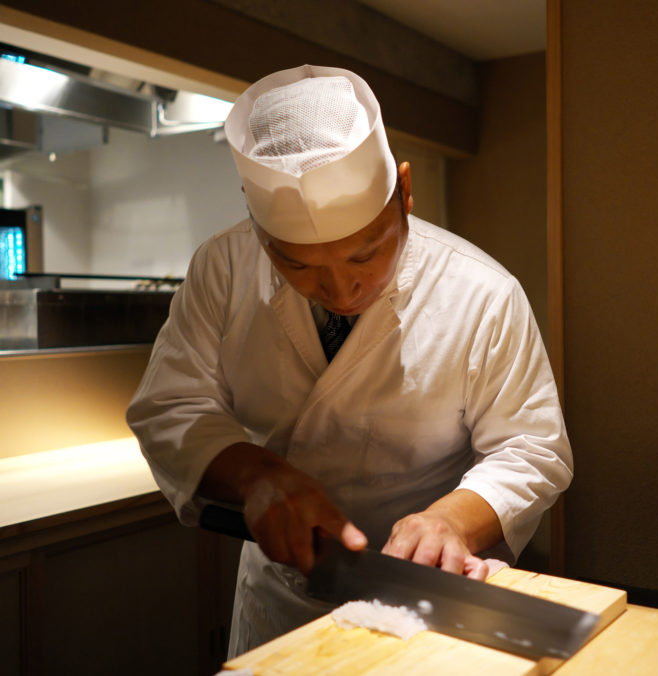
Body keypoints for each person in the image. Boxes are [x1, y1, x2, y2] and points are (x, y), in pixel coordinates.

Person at [126, 64, 572, 656]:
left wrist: (452, 520)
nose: (341, 291)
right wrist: (258, 475)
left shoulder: (483, 292)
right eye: (297, 265)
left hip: (434, 587)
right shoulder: (223, 267)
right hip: (282, 591)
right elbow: (171, 408)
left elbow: (532, 448)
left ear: (405, 193)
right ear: (257, 228)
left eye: (366, 255)